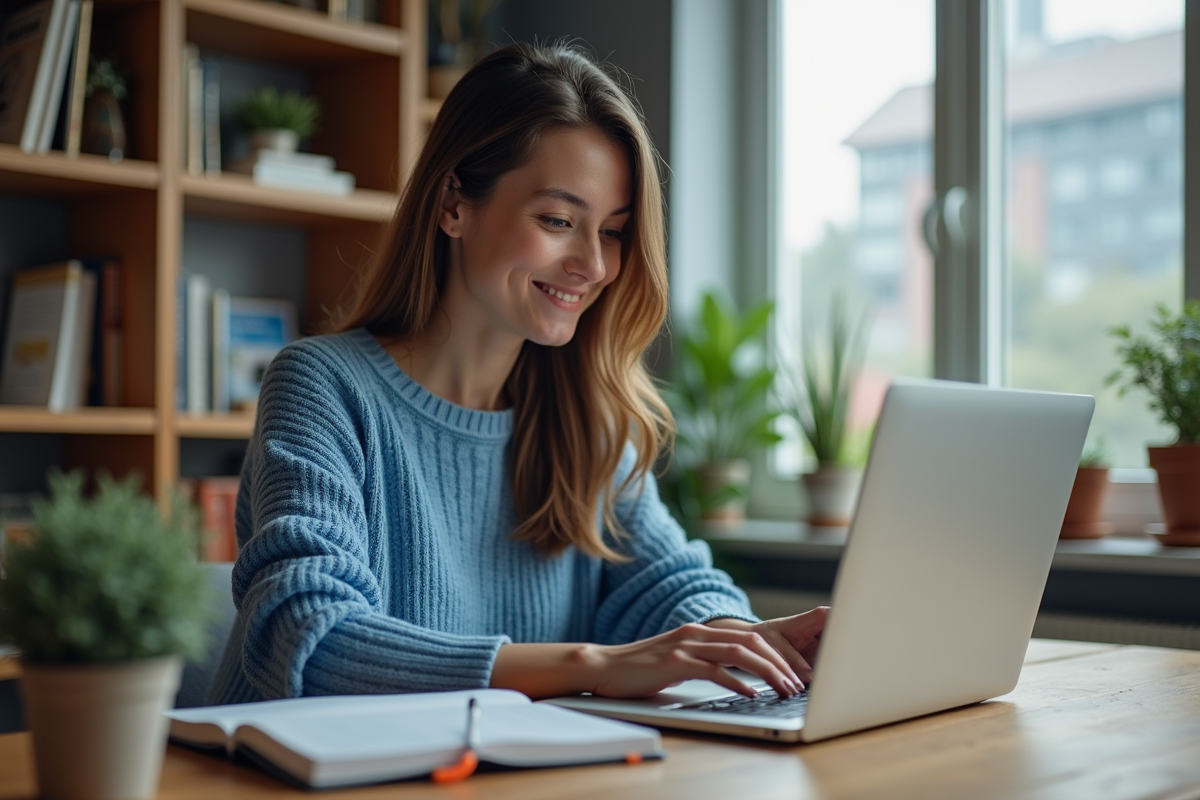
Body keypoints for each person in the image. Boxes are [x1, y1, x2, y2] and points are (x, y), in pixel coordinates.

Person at [207, 41, 826, 706]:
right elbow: (312, 640)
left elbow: (668, 584)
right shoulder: (323, 386)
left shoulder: (586, 416)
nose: (592, 264)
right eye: (559, 220)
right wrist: (594, 664)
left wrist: (745, 639)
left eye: (613, 232)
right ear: (453, 204)